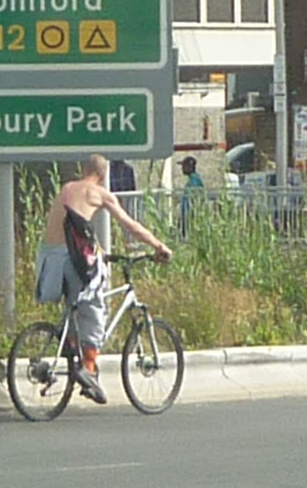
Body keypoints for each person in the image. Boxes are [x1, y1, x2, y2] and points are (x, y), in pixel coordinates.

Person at [35, 155, 171, 405]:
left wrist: (97, 250)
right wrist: (158, 245)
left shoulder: (67, 189)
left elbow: (74, 227)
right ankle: (88, 368)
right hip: (70, 259)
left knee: (75, 308)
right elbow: (131, 225)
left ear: (83, 169)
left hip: (47, 259)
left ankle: (71, 347)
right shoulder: (100, 193)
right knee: (96, 307)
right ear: (102, 174)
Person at [179, 154, 205, 235]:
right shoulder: (193, 179)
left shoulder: (194, 181)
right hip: (187, 214)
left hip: (190, 215)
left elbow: (195, 199)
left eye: (184, 166)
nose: (182, 168)